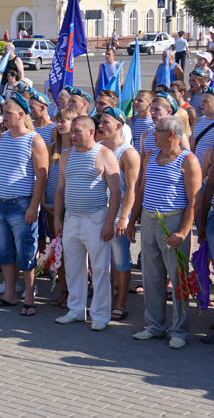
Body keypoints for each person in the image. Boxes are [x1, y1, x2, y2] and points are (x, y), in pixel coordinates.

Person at [128, 115, 201, 349]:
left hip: (173, 222)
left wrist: (183, 232)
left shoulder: (188, 160)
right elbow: (141, 190)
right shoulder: (150, 156)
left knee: (178, 277)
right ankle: (154, 326)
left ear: (171, 134)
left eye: (157, 130)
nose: (152, 134)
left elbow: (194, 201)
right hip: (149, 220)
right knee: (151, 277)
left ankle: (179, 330)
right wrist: (132, 222)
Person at [52, 115, 121, 331]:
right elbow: (60, 189)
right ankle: (75, 310)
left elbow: (116, 191)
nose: (72, 135)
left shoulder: (105, 154)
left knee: (99, 270)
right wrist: (57, 218)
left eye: (77, 131)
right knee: (73, 268)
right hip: (71, 219)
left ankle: (100, 314)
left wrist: (109, 223)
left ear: (91, 132)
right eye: (71, 131)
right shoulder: (66, 155)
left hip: (96, 219)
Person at [0, 93, 48, 315]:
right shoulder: (1, 138)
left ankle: (29, 297)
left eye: (8, 113)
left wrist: (33, 206)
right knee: (4, 251)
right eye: (4, 112)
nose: (4, 116)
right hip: (0, 204)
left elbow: (42, 176)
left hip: (22, 205)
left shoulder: (34, 140)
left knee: (26, 253)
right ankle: (10, 294)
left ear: (21, 115)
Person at [98, 107, 140, 321]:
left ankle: (121, 303)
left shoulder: (128, 153)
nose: (100, 125)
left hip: (117, 216)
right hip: (97, 212)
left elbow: (132, 189)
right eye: (100, 121)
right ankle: (104, 299)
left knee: (121, 260)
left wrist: (124, 217)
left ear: (119, 126)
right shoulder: (97, 147)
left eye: (105, 122)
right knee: (100, 261)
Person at [45, 108, 78, 308]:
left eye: (64, 120)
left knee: (74, 252)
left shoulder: (79, 149)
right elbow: (43, 176)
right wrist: (43, 201)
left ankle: (77, 292)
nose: (59, 124)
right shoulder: (51, 148)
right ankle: (64, 290)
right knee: (59, 249)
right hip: (51, 207)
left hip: (72, 207)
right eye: (58, 120)